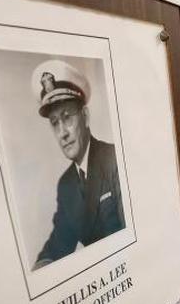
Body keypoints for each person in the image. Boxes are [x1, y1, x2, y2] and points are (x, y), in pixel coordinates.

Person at [31, 59, 125, 270]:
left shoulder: (114, 160)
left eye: (67, 117)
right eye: (55, 123)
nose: (62, 132)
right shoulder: (66, 185)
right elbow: (57, 245)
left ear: (85, 117)